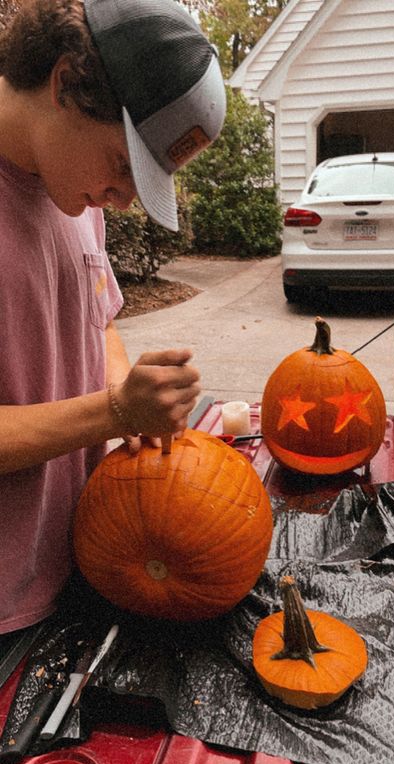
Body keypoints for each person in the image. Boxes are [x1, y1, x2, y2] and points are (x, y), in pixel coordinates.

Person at [0, 0, 226, 638]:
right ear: (66, 82)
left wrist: (133, 404)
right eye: (124, 166)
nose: (124, 202)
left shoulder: (75, 192)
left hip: (79, 567)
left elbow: (98, 322)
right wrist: (114, 412)